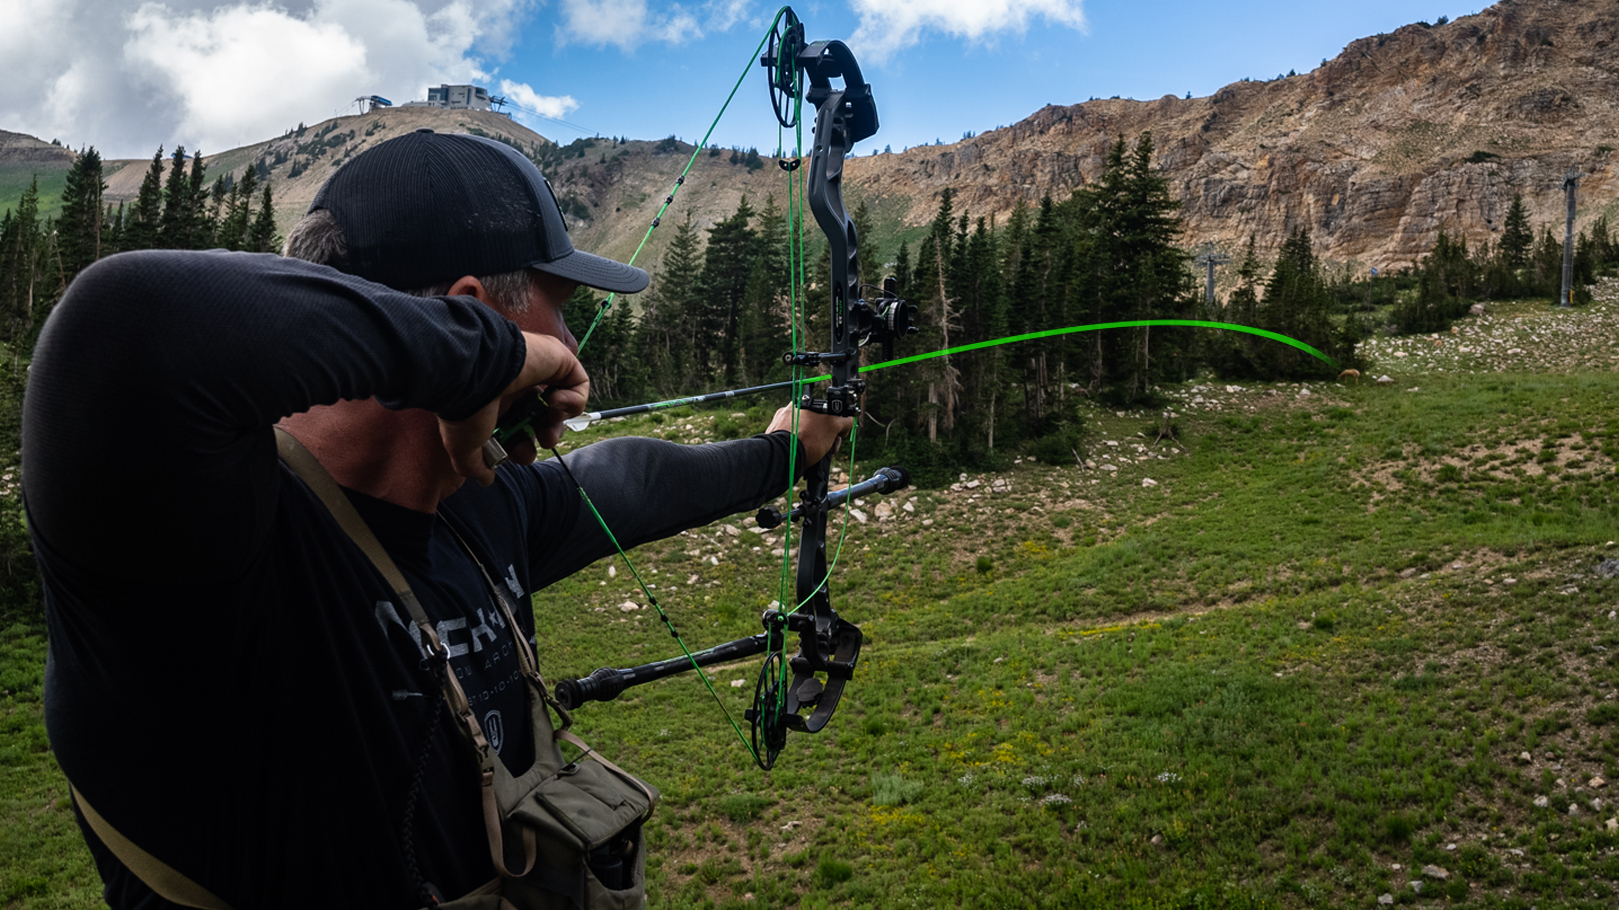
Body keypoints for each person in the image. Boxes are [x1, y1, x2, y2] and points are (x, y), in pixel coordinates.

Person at [23, 129, 848, 908]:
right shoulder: (193, 530)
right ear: (469, 311)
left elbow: (630, 480)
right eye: (557, 313)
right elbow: (127, 317)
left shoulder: (478, 507)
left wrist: (784, 454)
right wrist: (483, 355)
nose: (570, 346)